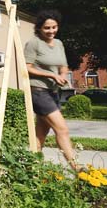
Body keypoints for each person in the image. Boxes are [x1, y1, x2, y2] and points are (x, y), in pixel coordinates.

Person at [24, 9, 78, 170]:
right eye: (47, 28)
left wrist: (62, 75)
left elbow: (63, 66)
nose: (51, 31)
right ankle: (78, 170)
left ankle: (31, 168)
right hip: (38, 91)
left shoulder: (59, 44)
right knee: (62, 129)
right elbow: (26, 67)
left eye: (54, 27)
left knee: (41, 133)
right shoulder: (34, 43)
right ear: (39, 28)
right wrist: (52, 76)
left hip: (53, 92)